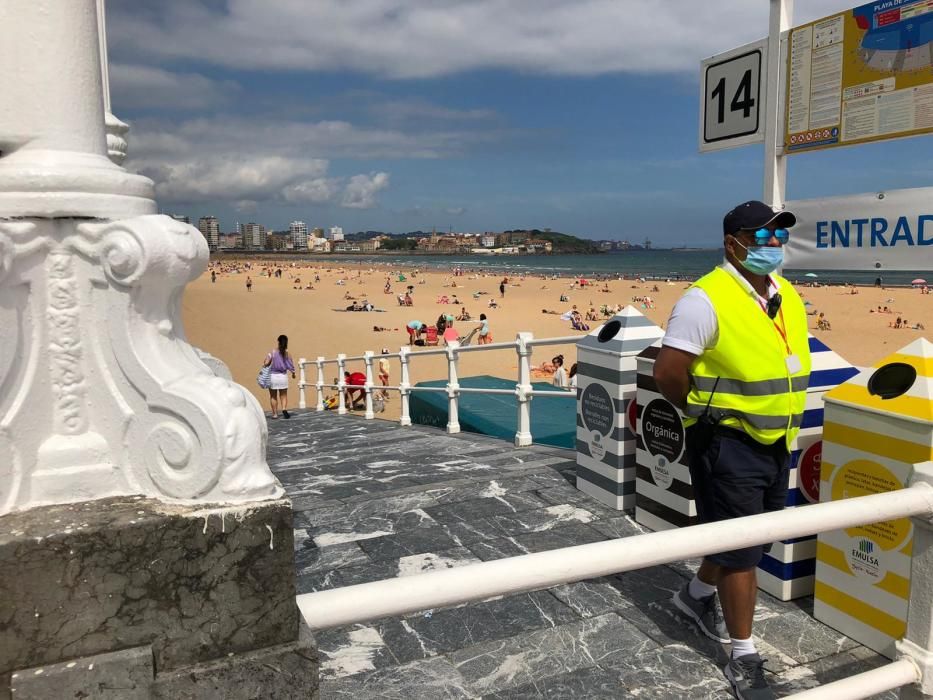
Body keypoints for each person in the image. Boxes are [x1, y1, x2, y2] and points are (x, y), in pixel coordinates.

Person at [653, 200, 810, 700]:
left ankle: (695, 596)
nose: (773, 246)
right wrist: (698, 413)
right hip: (727, 441)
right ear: (733, 242)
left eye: (779, 237)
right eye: (762, 237)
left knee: (749, 536)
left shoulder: (783, 293)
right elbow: (667, 372)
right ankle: (742, 654)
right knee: (743, 553)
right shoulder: (704, 298)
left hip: (775, 439)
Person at [264, 334, 296, 419]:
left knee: (273, 396)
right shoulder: (287, 353)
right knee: (283, 395)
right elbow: (291, 365)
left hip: (273, 377)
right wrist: (293, 373)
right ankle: (284, 409)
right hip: (283, 377)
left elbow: (266, 363)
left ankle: (275, 414)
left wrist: (266, 362)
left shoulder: (273, 352)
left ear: (278, 342)